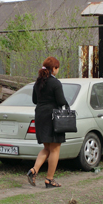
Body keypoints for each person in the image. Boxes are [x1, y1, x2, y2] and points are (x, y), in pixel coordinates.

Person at [27, 57, 68, 188]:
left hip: (40, 115)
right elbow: (61, 101)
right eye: (57, 67)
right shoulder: (55, 83)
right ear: (54, 69)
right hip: (52, 117)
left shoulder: (38, 82)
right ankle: (49, 179)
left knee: (46, 148)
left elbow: (34, 100)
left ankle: (34, 170)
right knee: (55, 149)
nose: (58, 70)